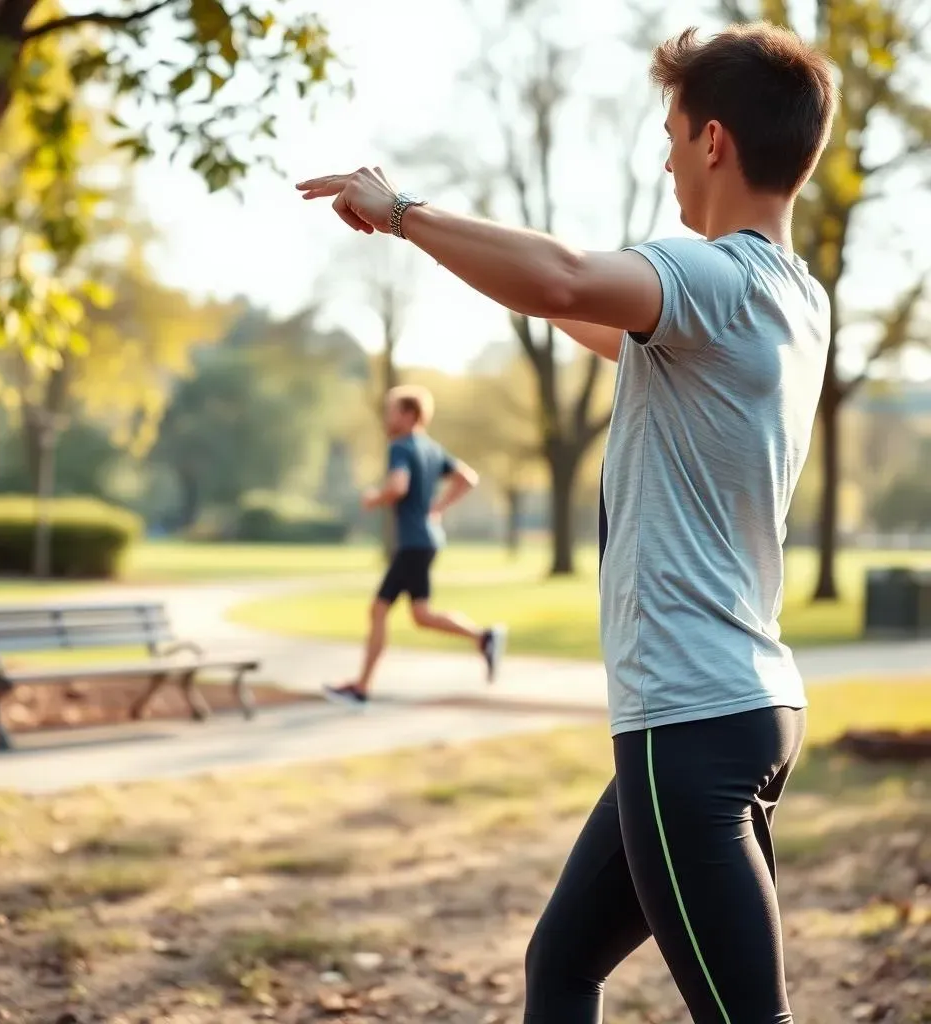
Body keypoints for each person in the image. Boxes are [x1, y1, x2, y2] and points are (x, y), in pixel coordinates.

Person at [299, 19, 837, 1024]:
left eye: (671, 136)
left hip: (690, 721)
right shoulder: (790, 298)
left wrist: (404, 210)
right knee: (561, 961)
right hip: (743, 706)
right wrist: (453, 250)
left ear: (712, 141)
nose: (667, 159)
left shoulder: (712, 279)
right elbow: (575, 305)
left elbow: (563, 281)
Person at [323, 385, 506, 707]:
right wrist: (437, 508)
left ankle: (361, 689)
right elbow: (468, 477)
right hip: (426, 541)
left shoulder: (401, 447)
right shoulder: (432, 449)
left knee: (379, 609)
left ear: (409, 415)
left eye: (391, 411)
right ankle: (484, 637)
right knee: (420, 615)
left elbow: (398, 485)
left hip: (413, 543)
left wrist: (374, 498)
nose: (386, 418)